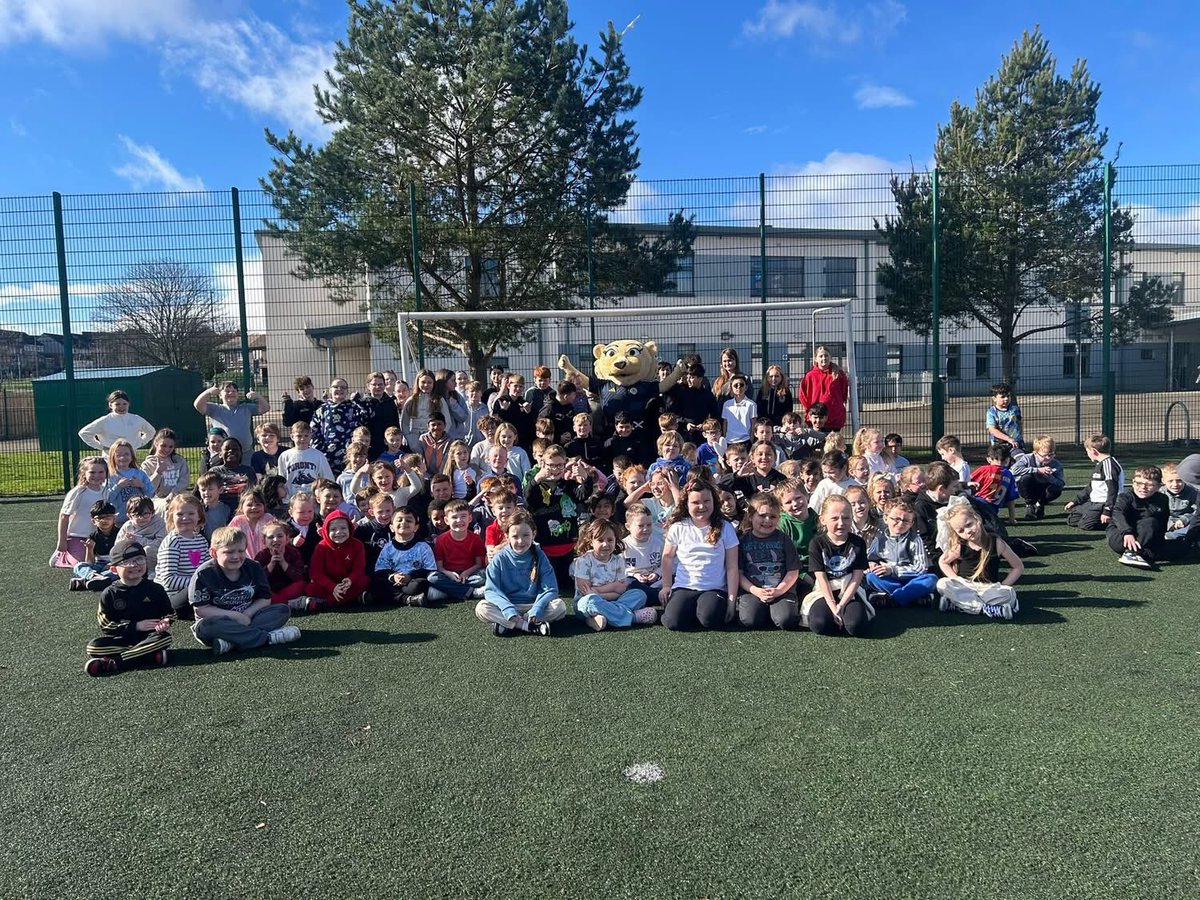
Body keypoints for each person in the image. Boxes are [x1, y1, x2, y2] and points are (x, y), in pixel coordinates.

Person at [189, 526, 299, 655]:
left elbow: (265, 598)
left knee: (282, 610)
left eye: (241, 551)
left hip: (249, 616)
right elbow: (201, 609)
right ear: (213, 553)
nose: (236, 556)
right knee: (207, 626)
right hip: (220, 622)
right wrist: (236, 616)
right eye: (229, 552)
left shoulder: (254, 567)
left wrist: (246, 614)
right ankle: (267, 638)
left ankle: (230, 642)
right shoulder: (203, 574)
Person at [659, 476, 739, 631]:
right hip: (685, 586)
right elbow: (667, 557)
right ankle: (686, 610)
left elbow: (732, 567)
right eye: (695, 502)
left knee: (711, 619)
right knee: (674, 622)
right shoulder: (678, 527)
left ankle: (701, 611)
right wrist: (666, 585)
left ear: (714, 502)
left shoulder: (725, 527)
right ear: (686, 504)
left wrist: (731, 601)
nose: (702, 506)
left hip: (714, 588)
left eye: (706, 501)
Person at [83, 540, 173, 677]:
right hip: (122, 639)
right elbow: (106, 625)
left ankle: (115, 663)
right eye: (127, 562)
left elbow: (170, 613)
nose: (135, 565)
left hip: (150, 636)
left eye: (140, 559)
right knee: (93, 646)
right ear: (113, 569)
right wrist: (135, 626)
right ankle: (148, 656)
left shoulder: (155, 589)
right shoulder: (109, 593)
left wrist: (165, 621)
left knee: (165, 639)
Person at [476, 509, 567, 636]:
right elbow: (491, 590)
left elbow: (550, 589)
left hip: (532, 606)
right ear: (507, 537)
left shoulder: (540, 556)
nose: (520, 541)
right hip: (507, 606)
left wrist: (537, 609)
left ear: (533, 534)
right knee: (482, 608)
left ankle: (509, 625)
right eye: (515, 536)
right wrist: (507, 609)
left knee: (560, 607)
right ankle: (528, 626)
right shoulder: (500, 558)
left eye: (525, 535)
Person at [802, 495, 872, 637]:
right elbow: (821, 578)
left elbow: (856, 578)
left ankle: (845, 616)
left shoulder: (858, 543)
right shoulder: (817, 543)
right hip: (825, 591)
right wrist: (833, 606)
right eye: (834, 518)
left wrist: (842, 605)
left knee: (855, 626)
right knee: (819, 624)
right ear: (823, 520)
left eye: (846, 518)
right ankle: (834, 617)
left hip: (849, 590)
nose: (841, 523)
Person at [937, 504, 1023, 619]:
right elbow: (943, 562)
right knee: (943, 584)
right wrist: (956, 579)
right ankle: (986, 609)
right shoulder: (960, 546)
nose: (967, 531)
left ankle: (960, 606)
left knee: (1008, 593)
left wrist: (1004, 585)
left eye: (969, 525)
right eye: (961, 531)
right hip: (966, 586)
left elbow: (1018, 566)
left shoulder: (996, 542)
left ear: (977, 518)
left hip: (989, 588)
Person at [573, 518, 659, 631]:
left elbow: (620, 590)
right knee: (590, 601)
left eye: (610, 540)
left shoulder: (618, 560)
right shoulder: (583, 561)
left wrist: (598, 592)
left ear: (615, 540)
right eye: (600, 540)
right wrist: (612, 587)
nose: (605, 544)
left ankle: (598, 619)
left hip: (613, 600)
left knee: (639, 594)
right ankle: (633, 617)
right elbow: (586, 592)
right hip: (586, 604)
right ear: (591, 541)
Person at [736, 492, 801, 630]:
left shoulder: (783, 539)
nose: (767, 520)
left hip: (781, 590)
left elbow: (793, 571)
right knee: (751, 620)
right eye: (762, 515)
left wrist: (779, 590)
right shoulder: (743, 541)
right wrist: (756, 591)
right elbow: (739, 573)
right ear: (751, 516)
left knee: (786, 620)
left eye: (773, 516)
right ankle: (764, 610)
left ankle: (777, 610)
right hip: (753, 590)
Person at [866, 498, 937, 607]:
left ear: (912, 523)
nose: (900, 523)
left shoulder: (915, 540)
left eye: (906, 520)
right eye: (896, 519)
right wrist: (872, 565)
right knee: (871, 577)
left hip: (912, 580)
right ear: (886, 518)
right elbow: (870, 558)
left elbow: (921, 568)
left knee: (931, 579)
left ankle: (893, 598)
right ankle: (913, 598)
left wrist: (893, 570)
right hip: (890, 581)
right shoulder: (879, 539)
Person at [1107, 466, 1176, 568]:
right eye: (1139, 483)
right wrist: (1127, 532)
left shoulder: (1162, 499)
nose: (1143, 488)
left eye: (1149, 485)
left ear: (1158, 486)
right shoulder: (1125, 496)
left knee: (1181, 549)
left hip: (1146, 538)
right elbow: (1117, 513)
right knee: (1150, 522)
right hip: (1122, 537)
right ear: (1133, 482)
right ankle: (1131, 553)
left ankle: (1141, 553)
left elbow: (1162, 523)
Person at [155, 493, 211, 618]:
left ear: (199, 516)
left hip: (196, 588)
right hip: (173, 596)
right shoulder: (173, 542)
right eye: (180, 514)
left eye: (191, 513)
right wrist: (199, 582)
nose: (185, 518)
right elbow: (168, 580)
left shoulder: (201, 540)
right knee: (197, 591)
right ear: (171, 517)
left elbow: (207, 568)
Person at [426, 500, 487, 604]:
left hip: (469, 575)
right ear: (446, 520)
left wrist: (466, 572)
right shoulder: (440, 540)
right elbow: (439, 567)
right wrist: (448, 574)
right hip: (450, 576)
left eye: (463, 516)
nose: (459, 520)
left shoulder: (476, 539)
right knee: (432, 577)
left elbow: (478, 564)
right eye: (454, 517)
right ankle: (471, 592)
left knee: (485, 575)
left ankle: (448, 591)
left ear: (470, 518)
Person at [53, 456, 110, 568]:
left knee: (104, 564)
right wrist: (62, 541)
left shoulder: (106, 491)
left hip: (98, 537)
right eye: (92, 472)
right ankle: (60, 558)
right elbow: (64, 516)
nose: (97, 475)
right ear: (84, 473)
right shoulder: (78, 492)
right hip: (78, 537)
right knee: (82, 565)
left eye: (101, 472)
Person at [372, 506, 436, 605]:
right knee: (377, 583)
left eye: (409, 520)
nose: (403, 523)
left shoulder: (423, 546)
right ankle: (407, 599)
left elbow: (430, 569)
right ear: (392, 527)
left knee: (420, 584)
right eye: (399, 520)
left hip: (411, 582)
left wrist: (410, 576)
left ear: (416, 527)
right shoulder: (387, 548)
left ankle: (391, 597)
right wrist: (393, 577)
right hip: (393, 582)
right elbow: (380, 570)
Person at [307, 510, 371, 606]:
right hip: (329, 583)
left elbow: (359, 569)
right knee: (309, 589)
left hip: (347, 583)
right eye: (333, 529)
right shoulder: (321, 547)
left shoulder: (357, 545)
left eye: (343, 528)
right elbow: (316, 573)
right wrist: (332, 587)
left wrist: (350, 580)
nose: (339, 532)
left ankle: (325, 603)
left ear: (350, 529)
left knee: (364, 581)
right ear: (326, 531)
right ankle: (352, 599)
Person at [310, 378, 370, 475]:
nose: (339, 389)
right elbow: (314, 432)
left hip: (352, 457)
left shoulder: (354, 407)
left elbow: (367, 418)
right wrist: (320, 453)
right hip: (328, 457)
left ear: (347, 391)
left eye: (343, 387)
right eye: (336, 387)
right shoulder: (322, 409)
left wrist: (360, 401)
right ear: (330, 390)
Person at [254, 520, 316, 612]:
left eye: (280, 536)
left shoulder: (293, 552)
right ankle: (291, 604)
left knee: (302, 585)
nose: (275, 540)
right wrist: (271, 564)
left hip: (288, 589)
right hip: (270, 590)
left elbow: (299, 577)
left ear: (287, 539)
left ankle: (278, 603)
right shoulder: (262, 555)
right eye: (271, 537)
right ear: (264, 541)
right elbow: (257, 579)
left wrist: (283, 562)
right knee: (260, 592)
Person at [1065, 434, 1124, 530]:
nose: (1087, 454)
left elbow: (1112, 490)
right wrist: (1076, 501)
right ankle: (1094, 515)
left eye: (1087, 451)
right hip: (1094, 502)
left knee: (1086, 525)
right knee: (1072, 520)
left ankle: (1114, 520)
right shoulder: (1099, 464)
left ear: (1093, 451)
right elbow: (1091, 487)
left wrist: (1107, 511)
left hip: (1104, 503)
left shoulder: (1109, 465)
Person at [193, 381, 269, 453]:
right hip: (223, 453)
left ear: (237, 394)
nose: (231, 393)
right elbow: (197, 405)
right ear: (220, 395)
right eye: (227, 391)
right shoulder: (214, 409)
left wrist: (258, 396)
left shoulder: (246, 408)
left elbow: (265, 408)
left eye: (234, 391)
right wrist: (208, 392)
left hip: (246, 452)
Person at [68, 500, 120, 592]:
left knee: (118, 571)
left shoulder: (120, 533)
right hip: (99, 565)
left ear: (114, 518)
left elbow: (122, 556)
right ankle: (94, 577)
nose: (104, 520)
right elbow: (90, 563)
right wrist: (89, 548)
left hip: (115, 563)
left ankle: (84, 582)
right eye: (100, 518)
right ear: (93, 521)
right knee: (79, 566)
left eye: (108, 517)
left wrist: (112, 564)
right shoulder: (93, 536)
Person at [78, 390, 155, 451]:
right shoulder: (104, 421)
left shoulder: (137, 419)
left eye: (124, 404)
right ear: (110, 405)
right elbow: (84, 433)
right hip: (109, 460)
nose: (121, 407)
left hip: (130, 459)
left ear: (129, 404)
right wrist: (102, 447)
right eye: (117, 404)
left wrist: (140, 443)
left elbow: (151, 431)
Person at [1011, 436, 1064, 520]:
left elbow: (1061, 484)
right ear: (1035, 453)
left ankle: (1040, 504)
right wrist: (1037, 470)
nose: (1048, 458)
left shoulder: (1056, 464)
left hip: (1044, 489)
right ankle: (1030, 505)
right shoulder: (1027, 458)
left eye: (1051, 455)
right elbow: (1013, 470)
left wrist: (1050, 478)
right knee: (1026, 478)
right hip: (1028, 487)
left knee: (1056, 489)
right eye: (1044, 455)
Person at [798, 346, 850, 432]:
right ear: (815, 359)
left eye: (826, 356)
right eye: (821, 356)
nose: (824, 358)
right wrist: (811, 410)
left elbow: (844, 392)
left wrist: (837, 405)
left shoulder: (838, 374)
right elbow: (803, 395)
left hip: (834, 417)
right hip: (817, 419)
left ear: (830, 358)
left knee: (833, 443)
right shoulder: (810, 376)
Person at [105, 439, 154, 525]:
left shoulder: (140, 474)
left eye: (126, 454)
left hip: (139, 519)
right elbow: (107, 498)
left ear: (132, 456)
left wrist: (141, 485)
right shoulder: (110, 476)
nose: (123, 457)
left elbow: (151, 494)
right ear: (113, 457)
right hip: (119, 520)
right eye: (118, 455)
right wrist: (118, 487)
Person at [141, 428, 190, 503]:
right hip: (156, 502)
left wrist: (173, 493)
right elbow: (146, 488)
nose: (167, 449)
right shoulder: (147, 464)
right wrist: (158, 473)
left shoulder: (179, 461)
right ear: (156, 444)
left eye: (170, 447)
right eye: (163, 446)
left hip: (177, 500)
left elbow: (185, 481)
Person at [720, 374, 757, 446]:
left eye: (741, 385)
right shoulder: (727, 404)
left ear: (746, 387)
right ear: (731, 388)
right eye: (735, 385)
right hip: (729, 440)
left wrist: (751, 440)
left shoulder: (751, 404)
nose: (739, 387)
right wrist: (725, 437)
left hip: (745, 440)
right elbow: (725, 422)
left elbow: (753, 424)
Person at [985, 383, 1023, 450]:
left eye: (1008, 396)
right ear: (994, 398)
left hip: (1015, 443)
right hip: (999, 446)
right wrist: (1008, 439)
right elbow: (992, 430)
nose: (1006, 399)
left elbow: (1019, 423)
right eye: (1002, 397)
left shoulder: (1015, 409)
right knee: (1001, 459)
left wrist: (1019, 438)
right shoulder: (992, 412)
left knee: (1019, 458)